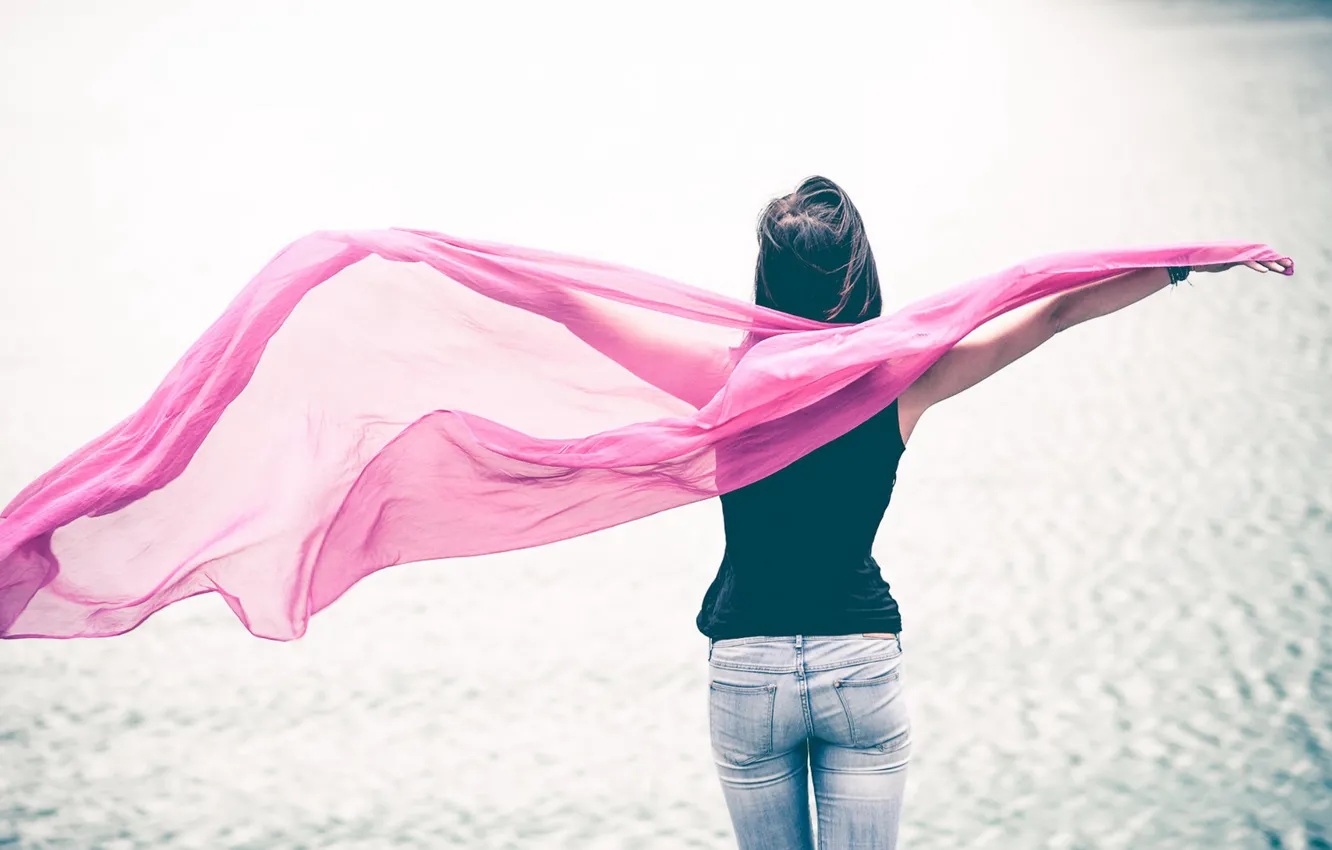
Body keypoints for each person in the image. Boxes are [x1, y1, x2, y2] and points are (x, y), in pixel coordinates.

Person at [692, 176, 1290, 849]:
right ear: (857, 277)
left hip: (748, 671)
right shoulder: (899, 381)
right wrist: (1182, 263)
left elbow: (599, 320)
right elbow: (1054, 312)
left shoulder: (725, 382)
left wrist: (548, 291)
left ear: (766, 279)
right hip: (857, 663)